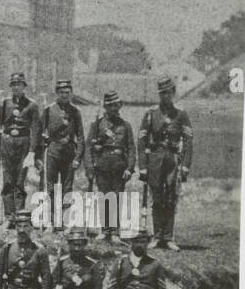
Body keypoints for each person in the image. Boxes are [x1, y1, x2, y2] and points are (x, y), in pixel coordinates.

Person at [136, 76, 193, 251]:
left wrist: (185, 166)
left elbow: (189, 141)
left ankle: (168, 237)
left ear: (173, 93)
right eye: (162, 93)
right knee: (157, 198)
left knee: (171, 198)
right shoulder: (151, 113)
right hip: (155, 160)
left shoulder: (181, 114)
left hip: (172, 161)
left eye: (168, 93)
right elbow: (142, 140)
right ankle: (157, 236)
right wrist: (143, 166)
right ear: (159, 95)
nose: (165, 96)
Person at [0, 72, 39, 224]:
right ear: (11, 87)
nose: (16, 87)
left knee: (20, 181)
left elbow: (36, 129)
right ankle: (8, 216)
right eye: (14, 85)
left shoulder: (32, 105)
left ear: (24, 86)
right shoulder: (5, 104)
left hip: (23, 144)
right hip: (7, 143)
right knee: (7, 181)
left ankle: (19, 216)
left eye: (19, 84)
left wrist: (32, 152)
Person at [85, 91, 135, 240]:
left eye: (117, 105)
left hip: (119, 166)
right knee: (104, 198)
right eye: (111, 105)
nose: (114, 108)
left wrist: (130, 168)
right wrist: (89, 167)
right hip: (102, 165)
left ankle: (114, 232)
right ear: (106, 107)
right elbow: (89, 146)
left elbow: (131, 147)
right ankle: (105, 230)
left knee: (117, 199)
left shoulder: (126, 125)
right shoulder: (97, 125)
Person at [0, 208, 52, 289]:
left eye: (26, 226)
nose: (22, 230)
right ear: (15, 227)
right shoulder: (7, 249)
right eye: (19, 226)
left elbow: (46, 278)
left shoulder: (39, 251)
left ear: (31, 228)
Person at [41, 79, 84, 205]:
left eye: (67, 92)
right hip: (53, 152)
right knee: (50, 187)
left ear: (71, 93)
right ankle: (51, 219)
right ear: (57, 93)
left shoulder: (75, 112)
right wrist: (39, 156)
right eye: (61, 92)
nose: (64, 95)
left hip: (69, 153)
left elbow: (80, 136)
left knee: (67, 188)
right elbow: (40, 133)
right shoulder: (49, 110)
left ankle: (64, 220)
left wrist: (77, 158)